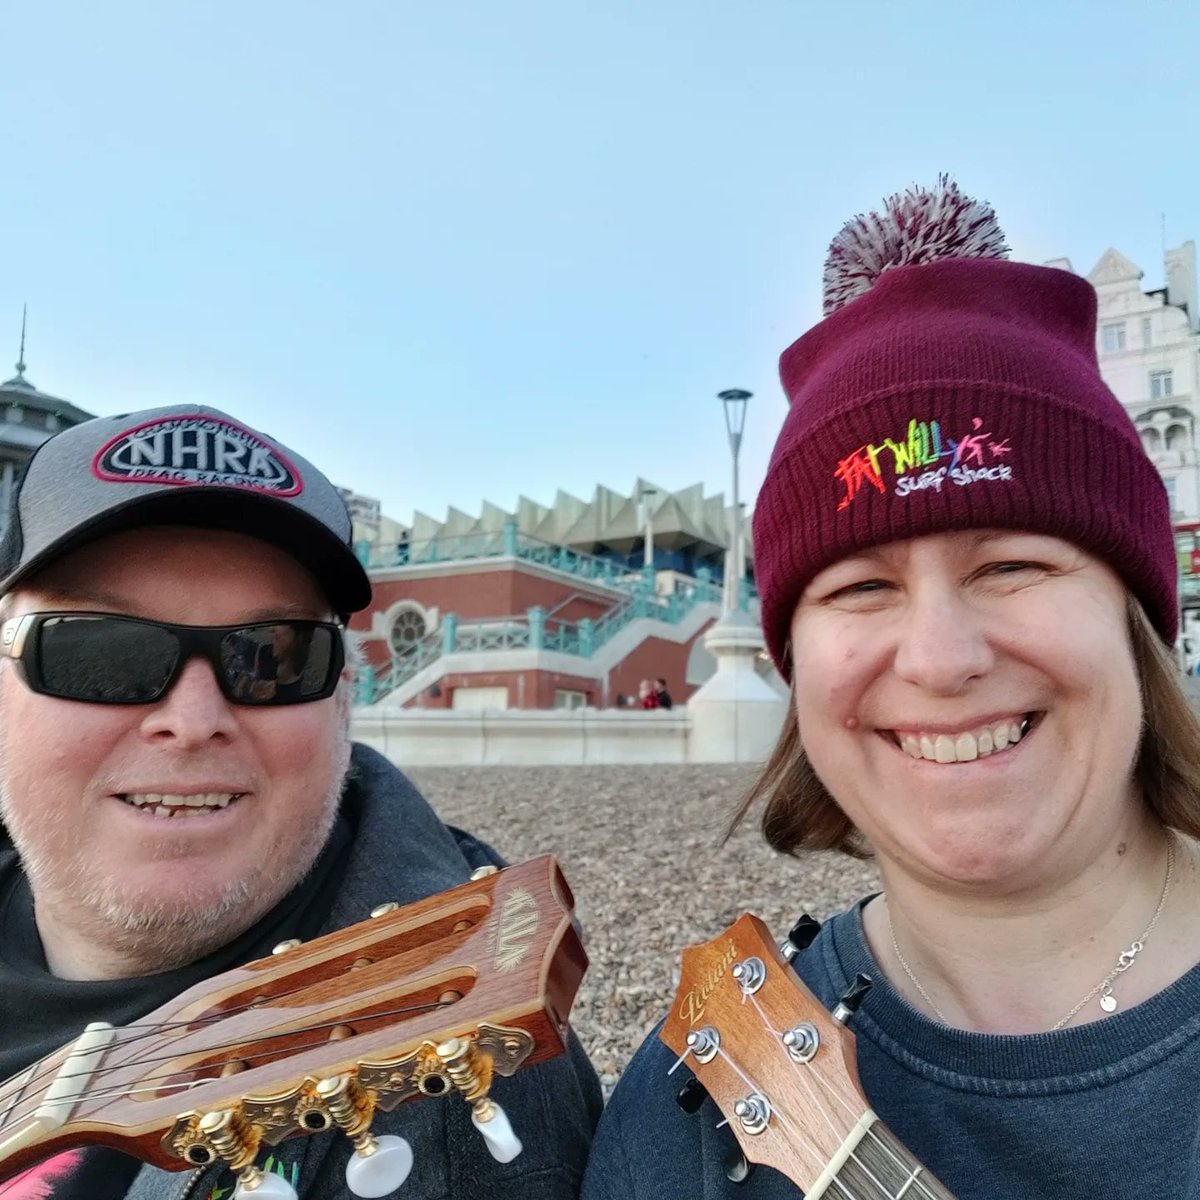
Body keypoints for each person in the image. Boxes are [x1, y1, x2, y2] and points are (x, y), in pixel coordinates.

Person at [582, 179, 1200, 1198]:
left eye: (1011, 565)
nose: (940, 658)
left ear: (1134, 615)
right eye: (862, 587)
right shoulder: (691, 1111)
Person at [0, 405, 601, 1200]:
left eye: (272, 658)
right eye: (98, 650)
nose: (192, 721)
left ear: (344, 699)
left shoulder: (454, 1108)